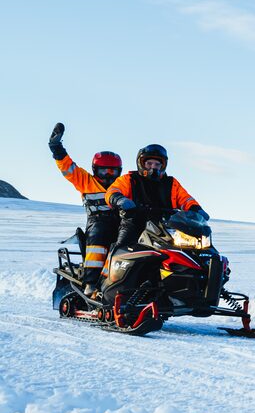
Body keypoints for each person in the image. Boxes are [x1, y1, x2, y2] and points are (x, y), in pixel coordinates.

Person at [48, 122, 123, 296]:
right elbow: (68, 167)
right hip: (98, 221)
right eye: (104, 171)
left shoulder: (123, 184)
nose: (108, 176)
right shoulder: (86, 181)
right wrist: (55, 147)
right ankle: (91, 283)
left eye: (112, 172)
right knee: (99, 238)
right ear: (95, 170)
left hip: (121, 221)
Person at [106, 144, 206, 248]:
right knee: (122, 249)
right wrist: (119, 199)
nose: (153, 167)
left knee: (191, 249)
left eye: (157, 164)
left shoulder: (171, 183)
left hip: (165, 227)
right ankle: (113, 262)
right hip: (135, 223)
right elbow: (112, 191)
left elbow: (185, 199)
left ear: (163, 166)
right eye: (149, 163)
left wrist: (196, 208)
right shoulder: (130, 179)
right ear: (141, 163)